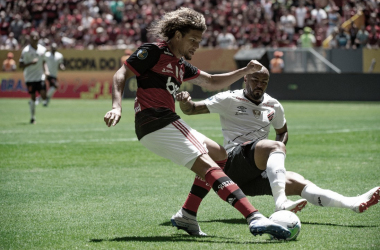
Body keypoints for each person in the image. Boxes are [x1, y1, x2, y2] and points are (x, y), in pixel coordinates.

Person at [103, 7, 291, 240]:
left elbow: (211, 82)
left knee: (219, 155)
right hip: (156, 120)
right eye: (193, 39)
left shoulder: (181, 65)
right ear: (177, 35)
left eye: (199, 41)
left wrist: (245, 70)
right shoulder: (152, 51)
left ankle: (187, 214)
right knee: (208, 164)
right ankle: (254, 217)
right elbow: (121, 74)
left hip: (163, 123)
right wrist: (116, 106)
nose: (196, 45)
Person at [172, 66, 380, 236]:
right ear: (245, 79)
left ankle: (353, 203)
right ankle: (280, 202)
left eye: (264, 82)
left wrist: (275, 159)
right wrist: (185, 102)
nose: (259, 85)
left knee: (298, 181)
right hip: (232, 163)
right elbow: (191, 110)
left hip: (252, 173)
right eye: (255, 80)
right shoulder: (228, 98)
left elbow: (283, 132)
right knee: (274, 146)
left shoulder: (274, 105)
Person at [19, 31, 49, 124]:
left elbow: (44, 61)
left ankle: (37, 101)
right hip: (30, 77)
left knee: (44, 95)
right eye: (33, 37)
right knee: (32, 96)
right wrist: (31, 63)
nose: (35, 39)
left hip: (40, 76)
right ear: (30, 39)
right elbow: (20, 65)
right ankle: (32, 118)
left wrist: (46, 70)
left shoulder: (43, 49)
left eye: (36, 37)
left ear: (39, 38)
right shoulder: (26, 51)